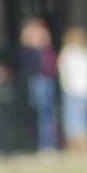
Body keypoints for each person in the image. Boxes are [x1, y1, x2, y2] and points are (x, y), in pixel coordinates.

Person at [20, 18, 59, 151]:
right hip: (38, 82)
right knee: (41, 114)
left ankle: (48, 144)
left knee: (47, 115)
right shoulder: (29, 52)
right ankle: (44, 144)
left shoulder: (47, 51)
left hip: (45, 82)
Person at [59, 27, 87, 151]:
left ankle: (78, 145)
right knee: (83, 118)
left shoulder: (68, 52)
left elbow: (63, 70)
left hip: (73, 89)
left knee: (73, 119)